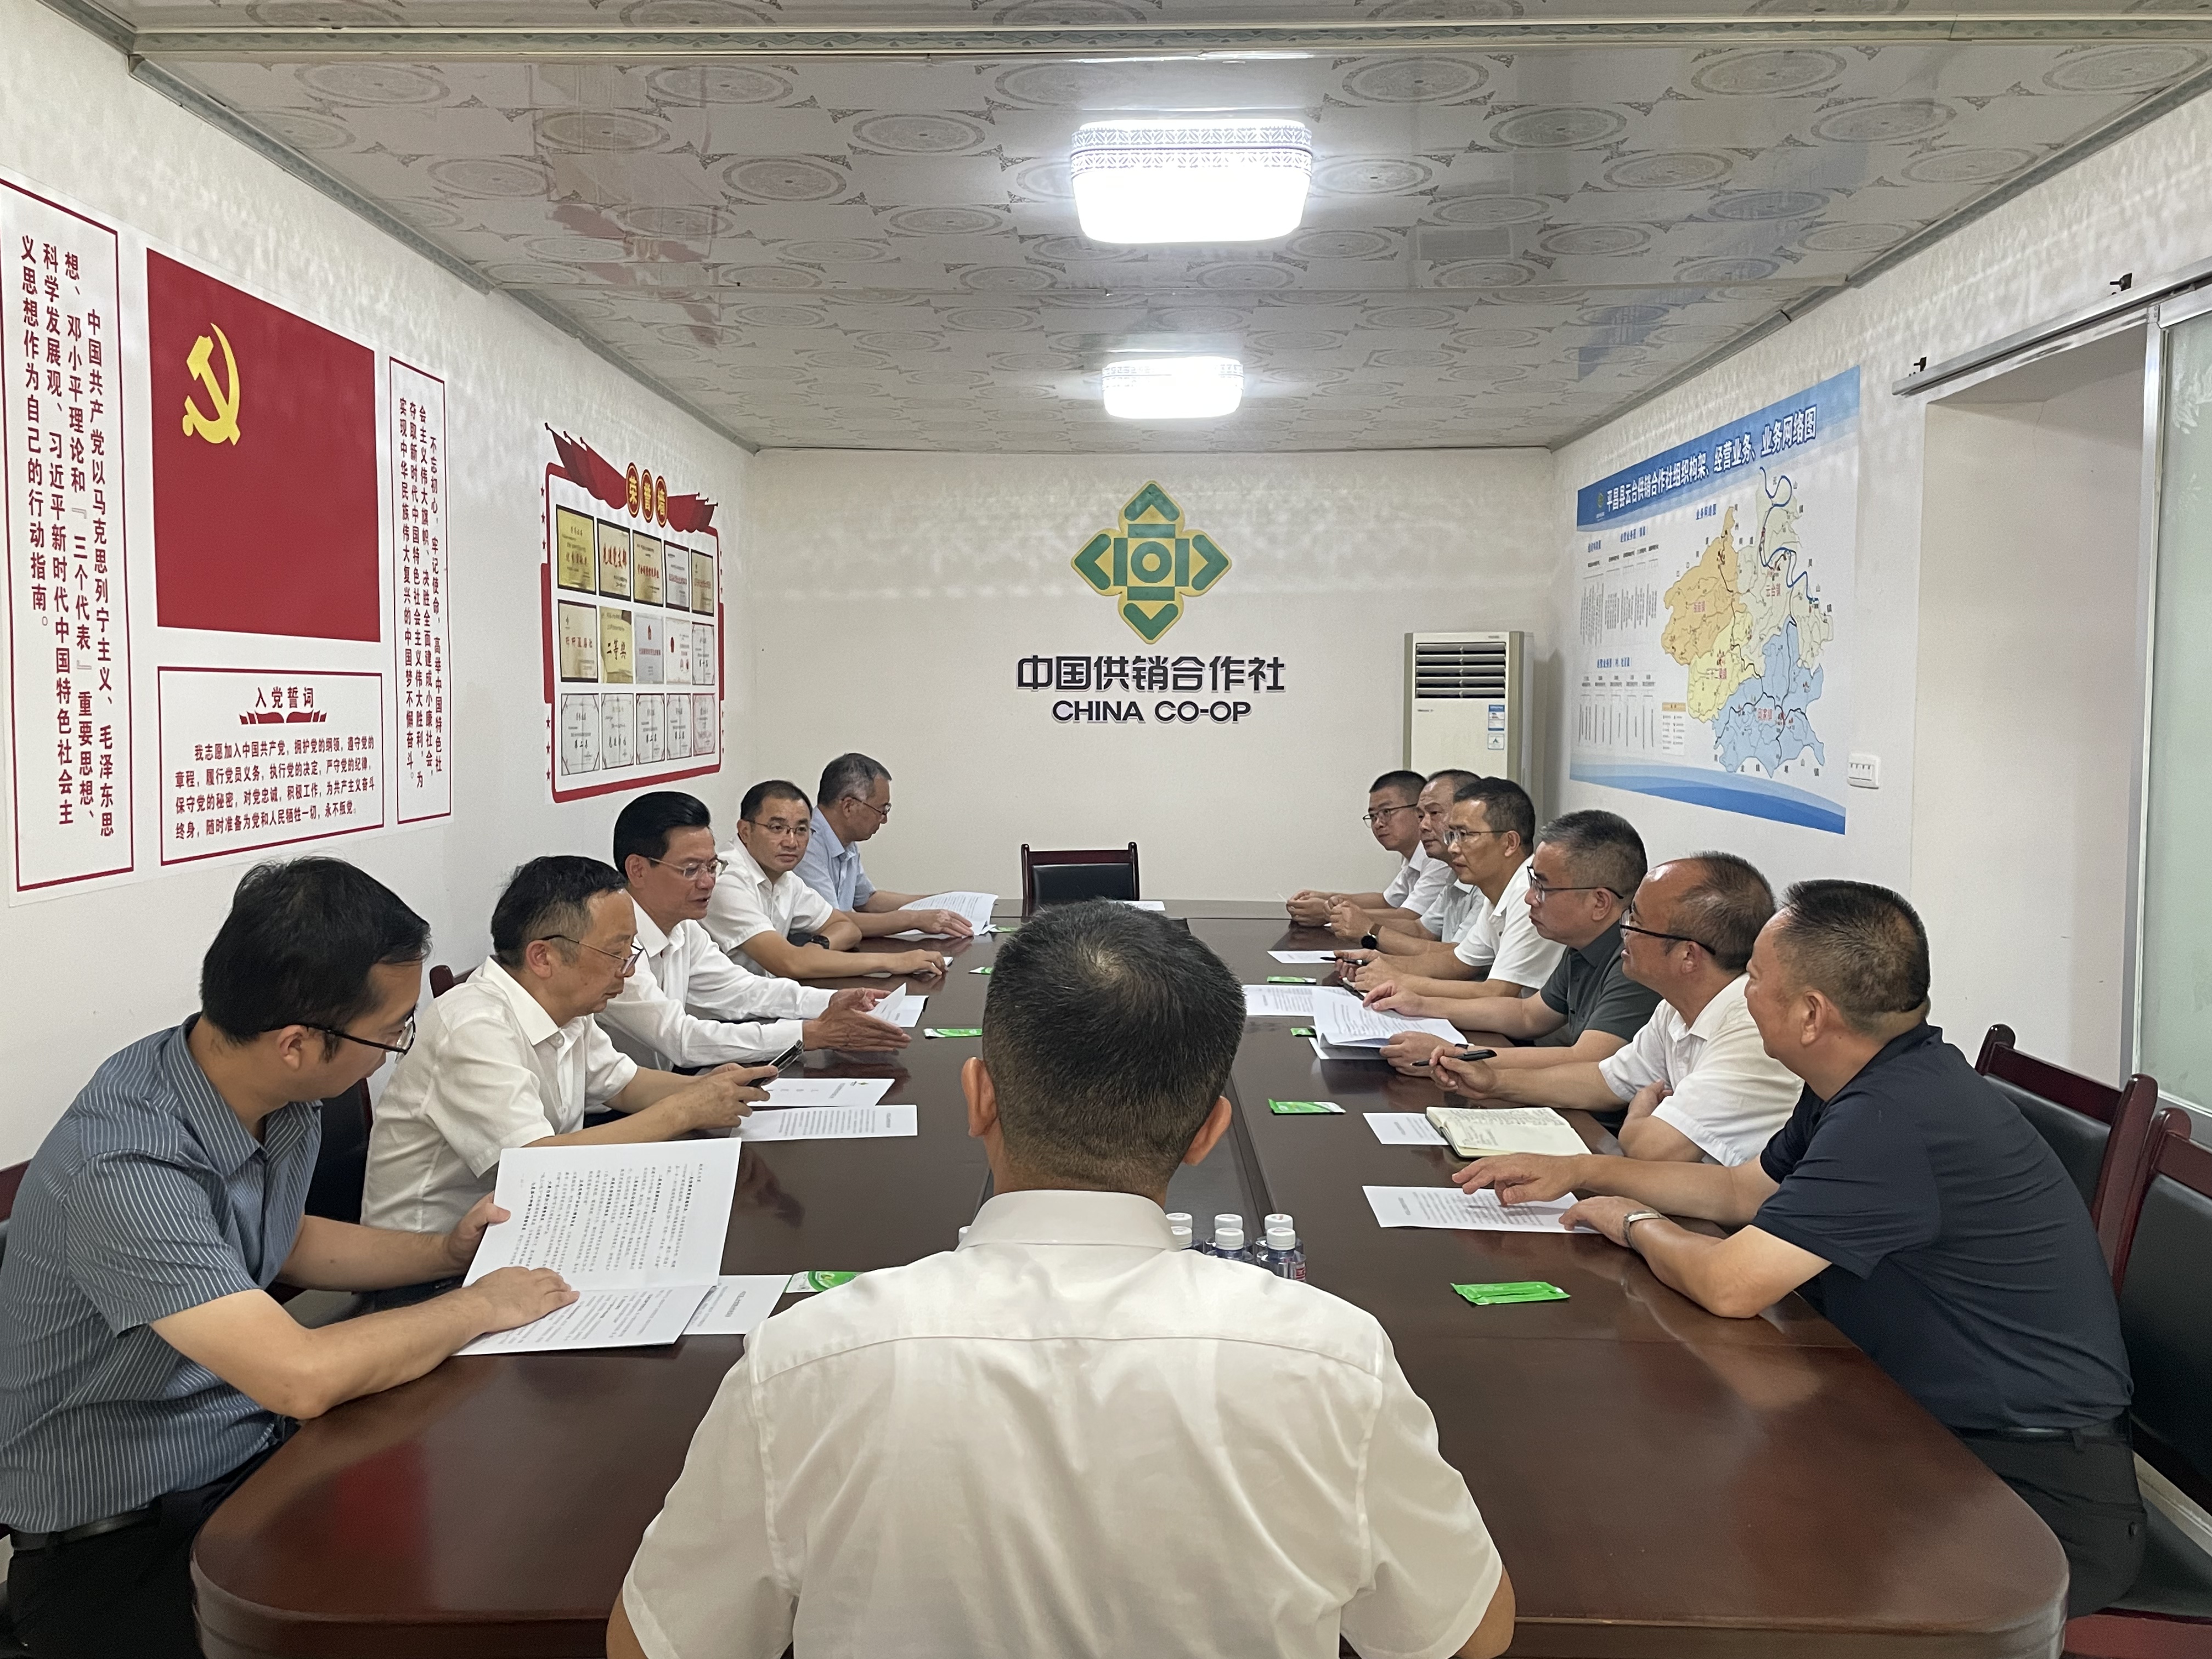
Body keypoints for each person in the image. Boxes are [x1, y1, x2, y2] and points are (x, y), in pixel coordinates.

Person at [608, 902, 1516, 1659]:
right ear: (1208, 1133)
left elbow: (657, 1642)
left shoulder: (803, 1359)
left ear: (979, 1097)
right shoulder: (1332, 1359)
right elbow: (1466, 1633)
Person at [1455, 881, 2144, 1615]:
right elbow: (1739, 1193)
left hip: (2026, 1493)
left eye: (1754, 977)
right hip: (1914, 1425)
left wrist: (1631, 1223)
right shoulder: (1867, 1078)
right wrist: (1580, 1171)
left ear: (1812, 1014)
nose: (1742, 993)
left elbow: (1732, 1285)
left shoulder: (1895, 1116)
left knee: (1686, 1544)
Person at [0, 859, 577, 1659]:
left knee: (501, 1529)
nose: (396, 1050)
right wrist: (481, 1304)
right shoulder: (127, 1163)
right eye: (393, 1031)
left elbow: (285, 1237)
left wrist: (443, 1252)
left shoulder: (263, 1088)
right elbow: (298, 1376)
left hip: (254, 1465)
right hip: (123, 1545)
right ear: (298, 1044)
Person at [362, 856, 770, 1237]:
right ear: (543, 957)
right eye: (615, 953)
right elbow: (536, 1164)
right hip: (433, 1256)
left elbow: (625, 1085)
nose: (628, 971)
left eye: (631, 952)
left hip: (530, 1222)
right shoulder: (472, 1026)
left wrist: (709, 1089)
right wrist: (684, 1110)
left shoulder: (568, 1005)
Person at [1430, 853, 1803, 1165]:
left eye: (1635, 921)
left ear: (1688, 956)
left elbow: (1653, 1150)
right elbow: (1606, 1081)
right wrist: (1493, 1082)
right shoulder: (1675, 1007)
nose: (1623, 932)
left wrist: (1637, 1116)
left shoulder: (1750, 1027)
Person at [600, 792, 909, 1071]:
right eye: (691, 870)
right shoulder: (610, 945)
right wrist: (809, 1034)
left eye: (712, 867)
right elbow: (680, 1039)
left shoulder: (684, 928)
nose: (708, 882)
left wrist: (834, 1001)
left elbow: (743, 990)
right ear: (638, 870)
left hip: (670, 1083)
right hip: (621, 1105)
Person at [1372, 809, 1661, 1085]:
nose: (1529, 898)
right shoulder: (1583, 944)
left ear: (1600, 902)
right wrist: (1421, 1004)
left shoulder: (1635, 959)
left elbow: (1587, 1060)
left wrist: (1453, 1056)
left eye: (1543, 888)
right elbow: (1527, 1014)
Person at [1339, 777, 1560, 1002]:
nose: (1453, 847)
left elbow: (1499, 992)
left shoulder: (1528, 894)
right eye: (1453, 835)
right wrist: (1377, 962)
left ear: (1510, 843)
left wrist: (1400, 980)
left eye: (1465, 835)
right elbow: (1457, 962)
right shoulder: (1497, 893)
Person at [706, 780, 948, 980]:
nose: (791, 842)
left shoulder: (786, 879)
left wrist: (817, 947)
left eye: (801, 830)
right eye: (777, 828)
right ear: (745, 831)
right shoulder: (726, 880)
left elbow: (847, 928)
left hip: (767, 1000)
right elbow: (789, 963)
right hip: (724, 1017)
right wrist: (892, 962)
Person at [795, 753, 978, 941]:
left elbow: (868, 901)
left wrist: (938, 902)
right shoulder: (804, 843)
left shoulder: (845, 840)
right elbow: (832, 921)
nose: (884, 820)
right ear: (849, 806)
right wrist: (915, 919)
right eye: (881, 810)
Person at [1323, 769, 1481, 952]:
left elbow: (1457, 959)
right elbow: (1421, 930)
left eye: (1434, 813)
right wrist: (1355, 919)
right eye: (1420, 816)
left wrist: (1369, 931)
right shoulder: (1454, 876)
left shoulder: (1486, 884)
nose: (1423, 826)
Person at [1284, 768, 1451, 931]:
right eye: (1373, 816)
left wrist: (1328, 913)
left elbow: (1411, 918)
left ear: (1418, 811)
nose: (1378, 824)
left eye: (1387, 812)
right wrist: (1326, 898)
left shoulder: (1438, 857)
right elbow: (1387, 901)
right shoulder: (1415, 856)